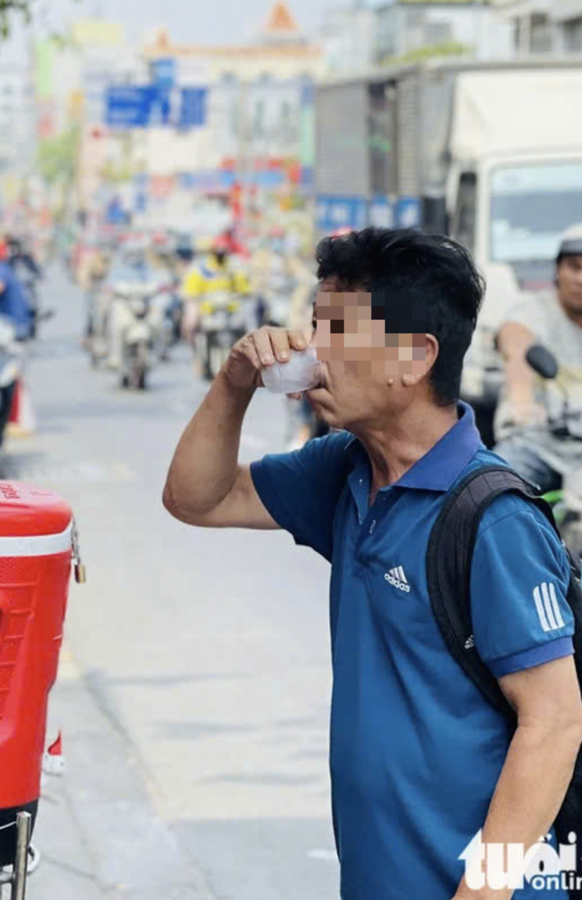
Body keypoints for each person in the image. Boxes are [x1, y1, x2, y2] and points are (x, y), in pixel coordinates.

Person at [162, 227, 582, 900]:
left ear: (414, 358)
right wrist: (235, 380)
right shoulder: (346, 470)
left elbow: (555, 721)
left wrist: (486, 890)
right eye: (313, 324)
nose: (310, 349)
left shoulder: (493, 518)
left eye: (335, 330)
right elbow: (196, 496)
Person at [493, 224, 582, 491]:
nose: (580, 278)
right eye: (574, 267)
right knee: (493, 485)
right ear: (558, 270)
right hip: (536, 445)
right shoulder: (534, 312)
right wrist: (522, 398)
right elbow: (516, 341)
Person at [181, 233, 252, 367]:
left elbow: (244, 287)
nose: (220, 253)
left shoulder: (233, 267)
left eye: (223, 250)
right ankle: (196, 357)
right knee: (190, 322)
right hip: (207, 310)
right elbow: (191, 289)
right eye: (217, 250)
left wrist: (245, 291)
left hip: (230, 310)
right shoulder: (202, 268)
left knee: (249, 324)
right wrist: (194, 298)